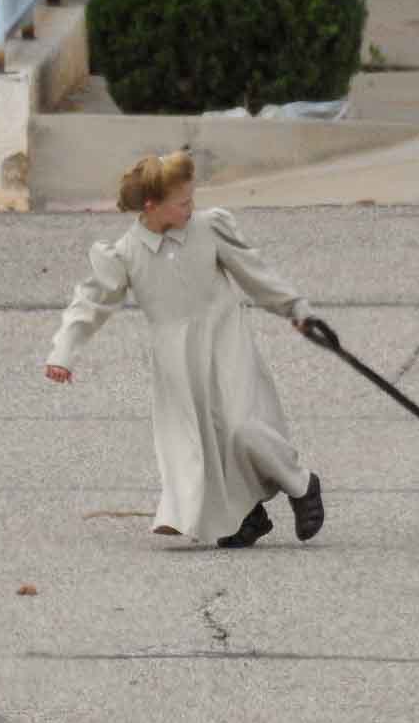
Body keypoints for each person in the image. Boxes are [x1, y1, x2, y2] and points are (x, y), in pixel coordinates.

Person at [43, 150, 325, 549]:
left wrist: (294, 308)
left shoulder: (210, 229)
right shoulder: (124, 253)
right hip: (176, 357)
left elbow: (256, 273)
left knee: (243, 426)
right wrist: (62, 353)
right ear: (151, 206)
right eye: (183, 202)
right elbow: (90, 304)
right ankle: (244, 516)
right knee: (199, 443)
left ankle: (301, 484)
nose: (192, 207)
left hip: (225, 337)